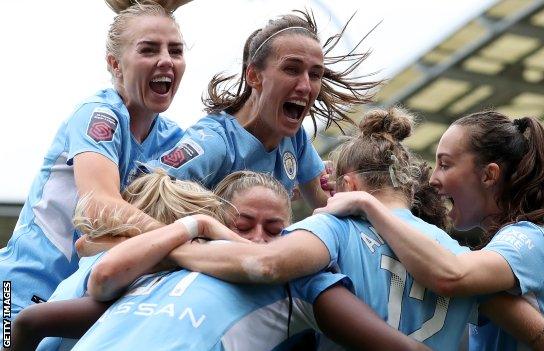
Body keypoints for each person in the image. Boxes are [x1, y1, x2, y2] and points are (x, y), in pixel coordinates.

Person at [113, 107, 544, 350]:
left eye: (445, 164)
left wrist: (176, 241)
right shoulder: (451, 251)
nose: (435, 178)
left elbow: (264, 262)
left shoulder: (332, 230)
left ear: (349, 185)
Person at [12, 171, 425, 351]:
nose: (257, 240)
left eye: (275, 230)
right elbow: (27, 321)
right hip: (11, 293)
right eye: (242, 225)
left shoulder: (299, 276)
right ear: (219, 221)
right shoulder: (150, 268)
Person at [314, 110, 544, 350]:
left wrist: (367, 202)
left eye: (445, 164)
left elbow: (451, 274)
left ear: (488, 175)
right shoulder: (509, 251)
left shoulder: (531, 239)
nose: (433, 179)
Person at [0, 0, 191, 319]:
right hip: (17, 295)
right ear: (115, 64)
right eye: (148, 50)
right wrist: (184, 241)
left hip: (82, 304)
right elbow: (98, 205)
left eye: (176, 50)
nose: (166, 61)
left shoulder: (174, 139)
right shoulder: (99, 114)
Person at [150, 9, 379, 209]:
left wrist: (355, 195)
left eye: (315, 74)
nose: (306, 86)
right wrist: (202, 227)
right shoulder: (215, 144)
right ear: (254, 76)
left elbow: (328, 203)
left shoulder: (295, 140)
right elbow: (145, 195)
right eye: (291, 69)